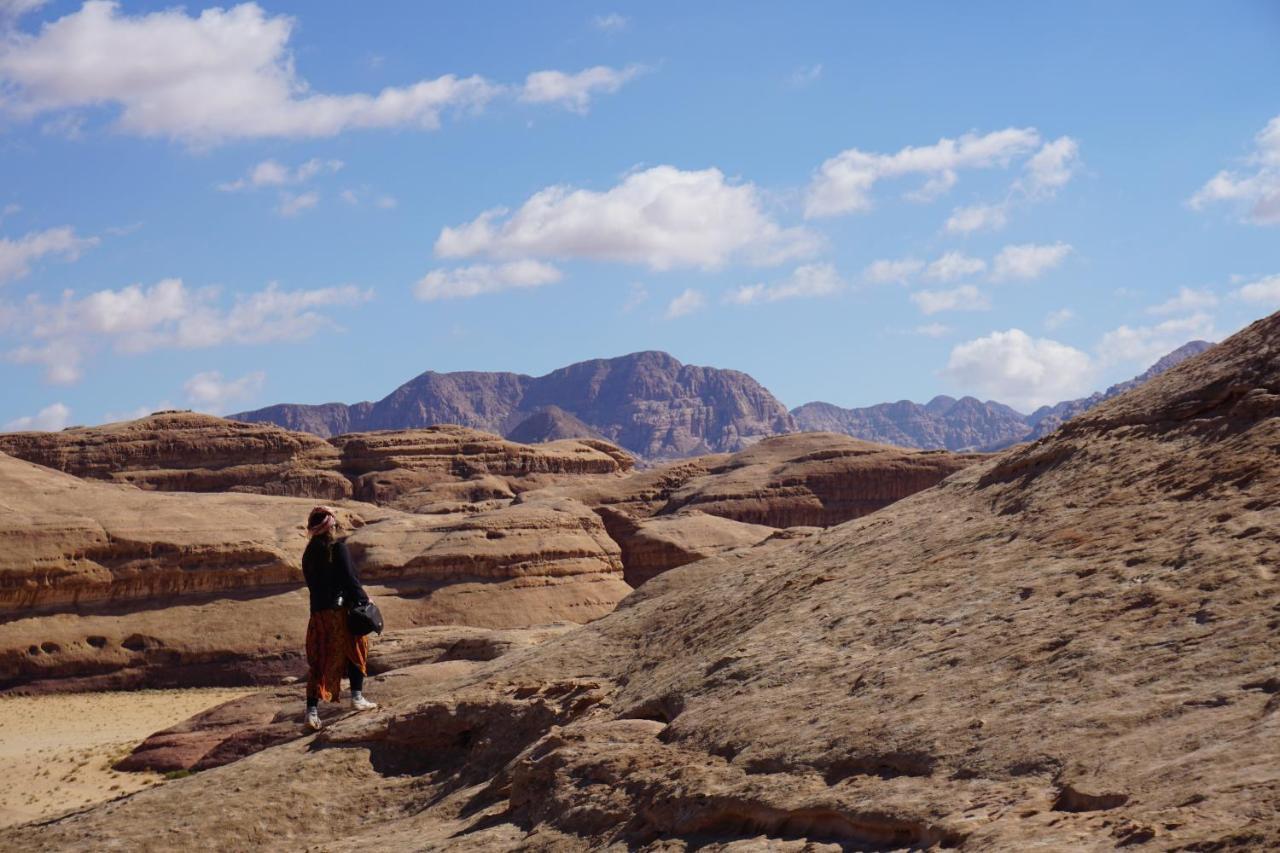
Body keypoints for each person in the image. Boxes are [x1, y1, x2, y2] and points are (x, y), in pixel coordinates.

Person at [302, 505, 377, 730]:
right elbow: (350, 580)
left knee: (320, 660)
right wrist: (365, 601)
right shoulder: (338, 549)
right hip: (340, 612)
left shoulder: (308, 554)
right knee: (356, 648)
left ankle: (311, 713)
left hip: (318, 615)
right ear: (330, 526)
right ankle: (356, 698)